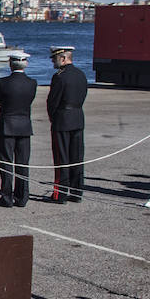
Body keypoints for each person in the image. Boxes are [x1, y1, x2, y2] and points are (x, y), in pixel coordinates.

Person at [0, 51, 37, 207]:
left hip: (7, 125)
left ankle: (6, 197)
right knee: (23, 163)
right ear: (26, 64)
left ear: (10, 64)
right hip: (24, 126)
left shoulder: (3, 82)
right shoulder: (32, 83)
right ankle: (22, 196)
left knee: (6, 163)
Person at [46, 46, 88, 203]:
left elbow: (52, 102)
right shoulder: (81, 75)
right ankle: (77, 193)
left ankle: (60, 194)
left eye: (55, 58)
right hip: (77, 118)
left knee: (61, 158)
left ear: (63, 58)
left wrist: (53, 118)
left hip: (63, 119)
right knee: (77, 158)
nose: (53, 62)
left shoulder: (59, 77)